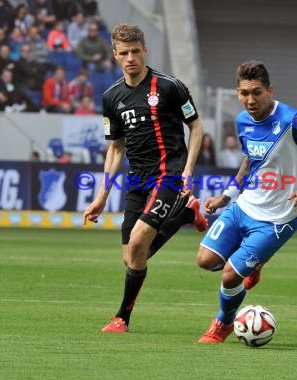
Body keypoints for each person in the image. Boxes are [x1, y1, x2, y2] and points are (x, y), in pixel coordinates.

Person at [195, 60, 297, 343]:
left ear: (270, 91)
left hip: (278, 218)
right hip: (244, 206)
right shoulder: (241, 121)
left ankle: (222, 323)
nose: (250, 100)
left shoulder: (292, 120)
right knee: (205, 260)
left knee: (229, 277)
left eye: (257, 92)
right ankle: (255, 260)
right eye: (244, 93)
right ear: (237, 92)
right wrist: (226, 196)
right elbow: (250, 160)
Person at [82, 23, 207, 334]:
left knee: (138, 243)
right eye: (123, 53)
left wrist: (188, 169)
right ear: (114, 55)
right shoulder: (111, 97)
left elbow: (196, 127)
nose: (130, 58)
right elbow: (115, 148)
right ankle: (186, 214)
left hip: (169, 174)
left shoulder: (169, 87)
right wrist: (102, 196)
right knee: (132, 258)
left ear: (144, 50)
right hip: (137, 180)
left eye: (135, 51)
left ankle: (121, 318)